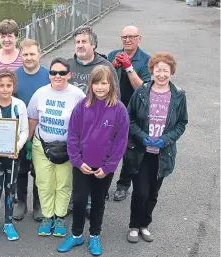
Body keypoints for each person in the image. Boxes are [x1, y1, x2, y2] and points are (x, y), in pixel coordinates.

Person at [57, 65, 129, 256]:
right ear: (91, 85)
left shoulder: (119, 110)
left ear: (111, 84)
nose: (100, 87)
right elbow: (72, 135)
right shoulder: (82, 106)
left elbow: (120, 142)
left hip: (103, 168)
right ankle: (76, 234)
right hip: (82, 165)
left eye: (104, 83)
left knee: (98, 201)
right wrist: (77, 161)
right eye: (96, 83)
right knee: (79, 200)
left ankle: (95, 235)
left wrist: (108, 167)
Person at [125, 52, 187, 243]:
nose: (161, 74)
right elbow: (130, 118)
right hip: (141, 152)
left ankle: (145, 225)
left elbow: (182, 123)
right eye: (158, 70)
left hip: (163, 154)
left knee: (153, 193)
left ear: (171, 72)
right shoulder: (142, 92)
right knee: (140, 191)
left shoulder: (178, 96)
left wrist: (167, 139)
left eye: (165, 70)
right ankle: (134, 225)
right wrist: (142, 136)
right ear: (152, 71)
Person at [27, 58, 85, 237]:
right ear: (49, 75)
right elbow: (33, 119)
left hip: (67, 148)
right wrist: (27, 143)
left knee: (63, 183)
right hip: (41, 145)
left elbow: (84, 122)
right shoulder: (40, 93)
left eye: (61, 73)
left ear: (69, 75)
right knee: (44, 183)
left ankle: (60, 216)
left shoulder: (78, 95)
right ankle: (47, 216)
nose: (57, 76)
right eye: (53, 73)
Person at [66, 25, 119, 219]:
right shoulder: (68, 65)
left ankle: (89, 203)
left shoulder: (105, 67)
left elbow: (115, 99)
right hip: (71, 128)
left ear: (93, 44)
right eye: (77, 42)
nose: (80, 45)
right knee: (74, 166)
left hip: (96, 130)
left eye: (84, 42)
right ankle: (74, 200)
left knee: (92, 167)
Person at [0, 69, 29, 243]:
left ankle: (8, 223)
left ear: (13, 86)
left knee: (10, 189)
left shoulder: (20, 106)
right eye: (1, 85)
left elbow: (24, 130)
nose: (5, 89)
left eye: (9, 85)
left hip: (14, 156)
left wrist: (16, 147)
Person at [107, 25, 152, 202]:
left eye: (131, 37)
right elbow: (102, 80)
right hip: (112, 110)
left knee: (130, 151)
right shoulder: (113, 54)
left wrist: (128, 67)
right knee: (107, 149)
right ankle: (103, 185)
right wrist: (111, 66)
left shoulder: (146, 60)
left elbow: (143, 90)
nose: (127, 40)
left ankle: (123, 185)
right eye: (124, 37)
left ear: (139, 38)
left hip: (134, 113)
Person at [13, 39, 50, 222]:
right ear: (21, 55)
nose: (29, 58)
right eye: (25, 54)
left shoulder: (48, 76)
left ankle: (38, 203)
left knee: (39, 170)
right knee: (20, 170)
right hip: (19, 132)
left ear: (39, 54)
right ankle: (21, 202)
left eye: (32, 54)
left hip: (41, 132)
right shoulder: (13, 76)